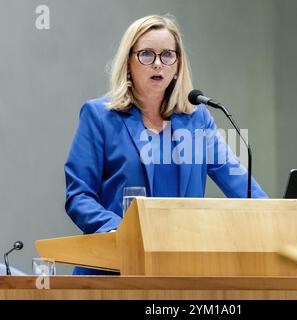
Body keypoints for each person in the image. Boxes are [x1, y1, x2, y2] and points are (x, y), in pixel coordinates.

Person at [64, 14, 268, 275]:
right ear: (128, 62)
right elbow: (79, 195)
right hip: (114, 268)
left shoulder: (197, 119)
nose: (158, 64)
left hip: (178, 270)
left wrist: (276, 216)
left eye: (167, 55)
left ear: (177, 65)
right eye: (146, 55)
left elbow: (238, 181)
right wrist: (118, 231)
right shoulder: (99, 116)